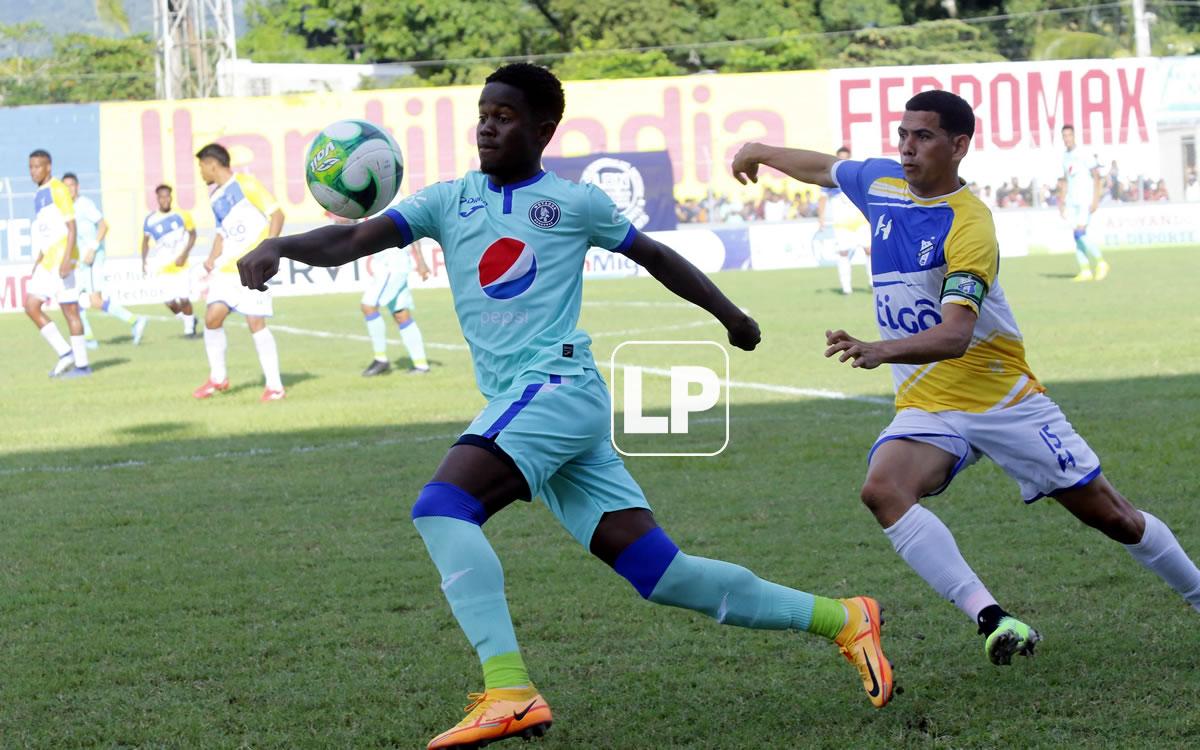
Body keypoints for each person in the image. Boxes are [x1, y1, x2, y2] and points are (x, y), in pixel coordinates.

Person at [239, 63, 894, 749]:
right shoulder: (448, 200)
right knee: (661, 573)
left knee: (441, 507)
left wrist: (731, 315)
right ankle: (844, 618)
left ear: (544, 129)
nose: (489, 124)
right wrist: (281, 245)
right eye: (484, 111)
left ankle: (509, 690)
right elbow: (350, 239)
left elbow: (655, 255)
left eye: (507, 115)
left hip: (553, 387)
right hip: (539, 406)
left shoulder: (573, 203)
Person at [732, 90, 1200, 669]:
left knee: (1115, 518)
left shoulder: (970, 224)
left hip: (1004, 399)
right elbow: (825, 168)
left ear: (959, 146)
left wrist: (881, 349)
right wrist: (759, 150)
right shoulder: (881, 183)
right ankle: (992, 617)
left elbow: (955, 335)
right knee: (882, 490)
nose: (907, 148)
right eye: (902, 135)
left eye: (922, 137)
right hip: (929, 402)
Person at [192, 143, 286, 402]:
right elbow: (222, 233)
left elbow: (277, 214)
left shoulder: (247, 184)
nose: (200, 172)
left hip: (252, 265)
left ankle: (275, 386)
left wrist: (269, 249)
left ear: (212, 164)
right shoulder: (215, 197)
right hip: (226, 270)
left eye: (201, 166)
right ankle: (218, 378)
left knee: (255, 323)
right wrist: (211, 258)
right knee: (212, 318)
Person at [24, 150, 90, 378]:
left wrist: (66, 260)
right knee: (33, 306)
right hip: (49, 258)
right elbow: (46, 231)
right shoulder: (39, 194)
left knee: (67, 310)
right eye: (31, 167)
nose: (34, 171)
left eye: (38, 166)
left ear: (48, 167)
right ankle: (67, 355)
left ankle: (79, 364)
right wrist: (39, 259)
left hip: (62, 258)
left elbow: (71, 227)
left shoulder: (57, 189)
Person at [63, 172, 148, 348]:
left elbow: (104, 225)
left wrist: (93, 248)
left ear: (77, 187)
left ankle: (135, 321)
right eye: (65, 187)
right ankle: (88, 339)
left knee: (95, 300)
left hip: (93, 258)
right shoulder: (67, 209)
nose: (68, 189)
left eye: (71, 185)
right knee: (75, 298)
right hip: (80, 261)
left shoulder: (84, 204)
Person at [355, 220, 432, 375]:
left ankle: (380, 359)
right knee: (401, 314)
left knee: (368, 306)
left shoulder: (391, 200)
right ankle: (421, 365)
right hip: (388, 266)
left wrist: (421, 261)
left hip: (392, 266)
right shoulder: (372, 203)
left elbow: (412, 227)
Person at [141, 184, 199, 337]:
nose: (165, 199)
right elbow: (145, 242)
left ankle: (189, 331)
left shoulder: (182, 215)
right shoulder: (150, 220)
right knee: (169, 302)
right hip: (164, 267)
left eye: (167, 196)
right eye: (161, 197)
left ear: (171, 197)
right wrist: (143, 261)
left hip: (181, 265)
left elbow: (193, 235)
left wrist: (184, 254)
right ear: (157, 199)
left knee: (184, 298)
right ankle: (190, 319)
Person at [816, 146, 871, 295]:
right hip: (842, 225)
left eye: (846, 157)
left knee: (869, 250)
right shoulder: (829, 178)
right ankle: (846, 287)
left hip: (860, 222)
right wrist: (821, 218)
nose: (843, 160)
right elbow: (822, 199)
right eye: (841, 158)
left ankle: (873, 283)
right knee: (843, 253)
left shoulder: (857, 176)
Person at [1058, 125, 1109, 281]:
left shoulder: (1084, 154)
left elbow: (1097, 176)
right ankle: (1085, 270)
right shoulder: (1065, 157)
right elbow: (1066, 180)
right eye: (1064, 136)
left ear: (1074, 136)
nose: (1067, 138)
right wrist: (1062, 202)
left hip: (1084, 200)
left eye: (1069, 135)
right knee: (1077, 235)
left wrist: (1095, 199)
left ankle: (1101, 262)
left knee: (1080, 233)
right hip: (1072, 201)